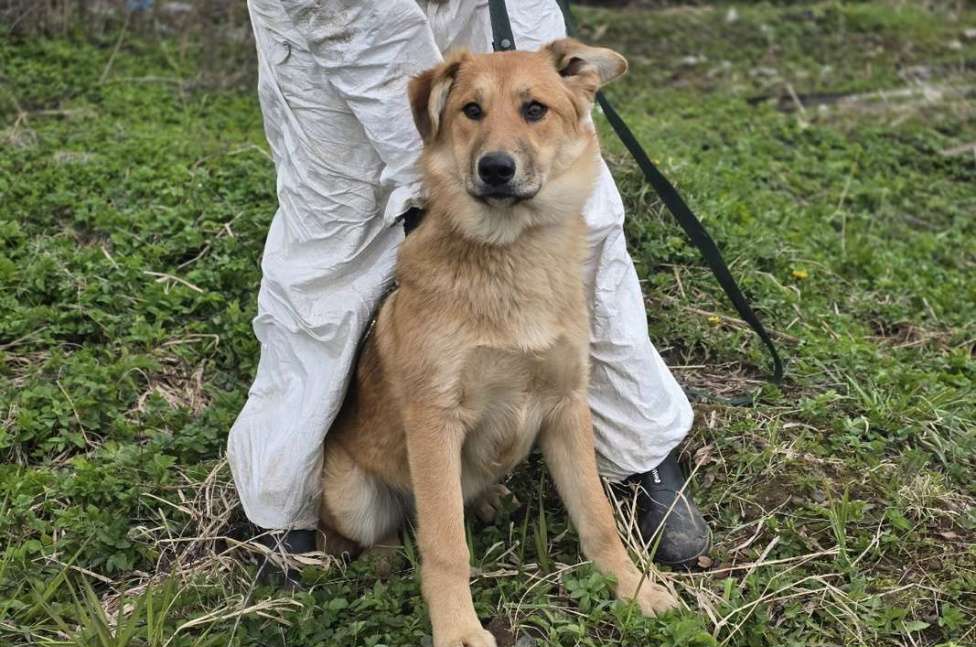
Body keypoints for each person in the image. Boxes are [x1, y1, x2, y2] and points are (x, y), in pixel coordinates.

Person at [230, 0, 711, 573]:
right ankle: (283, 499)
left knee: (589, 223)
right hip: (340, 12)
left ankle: (639, 451)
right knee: (332, 241)